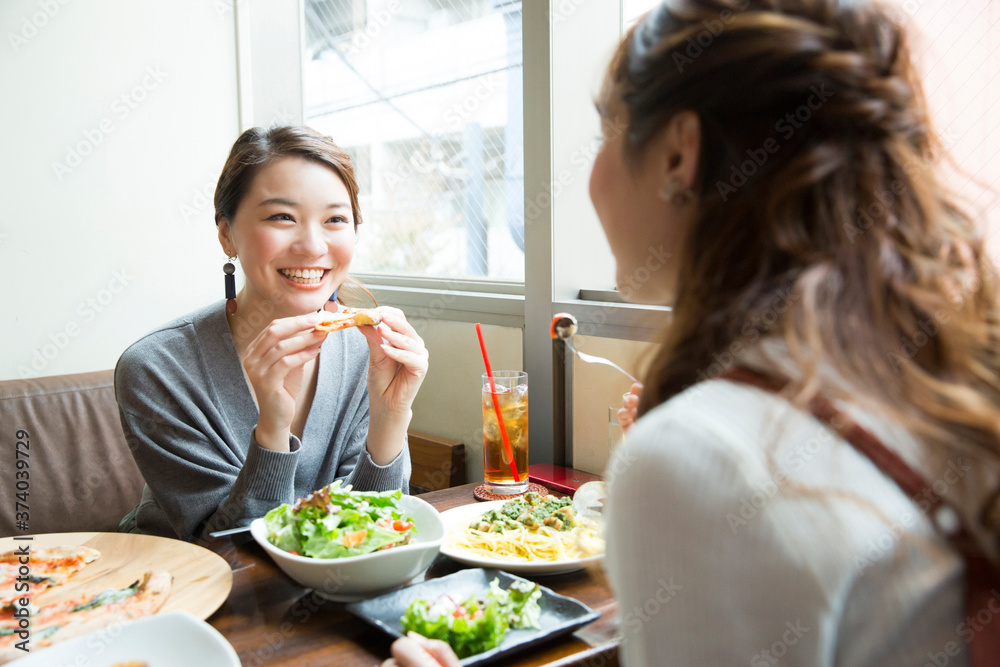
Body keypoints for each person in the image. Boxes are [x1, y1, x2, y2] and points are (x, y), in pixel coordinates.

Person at [386, 0, 1000, 664]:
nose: (590, 179)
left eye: (605, 137)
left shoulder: (703, 456)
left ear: (679, 152)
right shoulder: (946, 366)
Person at [116, 125, 427, 541]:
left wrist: (390, 417)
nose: (313, 246)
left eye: (335, 219)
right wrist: (273, 429)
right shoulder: (157, 368)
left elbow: (376, 532)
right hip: (183, 586)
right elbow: (224, 546)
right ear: (227, 233)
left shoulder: (365, 352)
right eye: (282, 217)